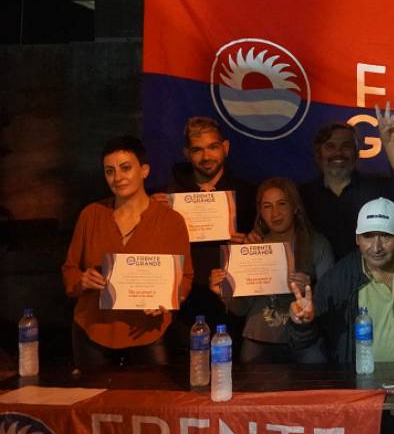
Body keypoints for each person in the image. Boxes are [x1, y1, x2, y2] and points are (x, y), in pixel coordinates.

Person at [62, 136, 193, 367]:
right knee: (93, 402)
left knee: (152, 402)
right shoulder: (91, 215)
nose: (118, 177)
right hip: (92, 330)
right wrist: (82, 280)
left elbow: (185, 277)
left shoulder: (171, 220)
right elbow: (69, 270)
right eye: (109, 171)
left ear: (144, 170)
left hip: (147, 332)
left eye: (125, 168)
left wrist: (170, 298)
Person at [289, 197, 394, 365]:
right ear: (357, 239)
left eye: (385, 236)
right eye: (367, 236)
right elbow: (309, 349)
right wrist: (303, 326)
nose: (376, 247)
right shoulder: (336, 281)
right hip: (362, 385)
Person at [153, 116, 256, 348]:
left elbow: (261, 255)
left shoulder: (249, 195)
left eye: (213, 147)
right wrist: (153, 215)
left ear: (225, 148)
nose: (206, 156)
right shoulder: (167, 195)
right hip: (183, 304)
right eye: (197, 150)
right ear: (186, 154)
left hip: (231, 305)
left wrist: (250, 246)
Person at [208, 178, 333, 363]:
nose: (275, 213)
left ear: (295, 207)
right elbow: (241, 309)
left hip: (304, 341)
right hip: (258, 341)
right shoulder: (251, 247)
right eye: (267, 206)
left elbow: (332, 300)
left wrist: (309, 289)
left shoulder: (317, 244)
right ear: (260, 213)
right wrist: (223, 292)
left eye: (282, 203)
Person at [300, 104, 394, 261]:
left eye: (346, 146)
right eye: (330, 147)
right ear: (318, 154)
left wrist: (391, 145)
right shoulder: (303, 196)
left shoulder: (375, 188)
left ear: (357, 153)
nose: (338, 153)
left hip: (369, 278)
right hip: (319, 281)